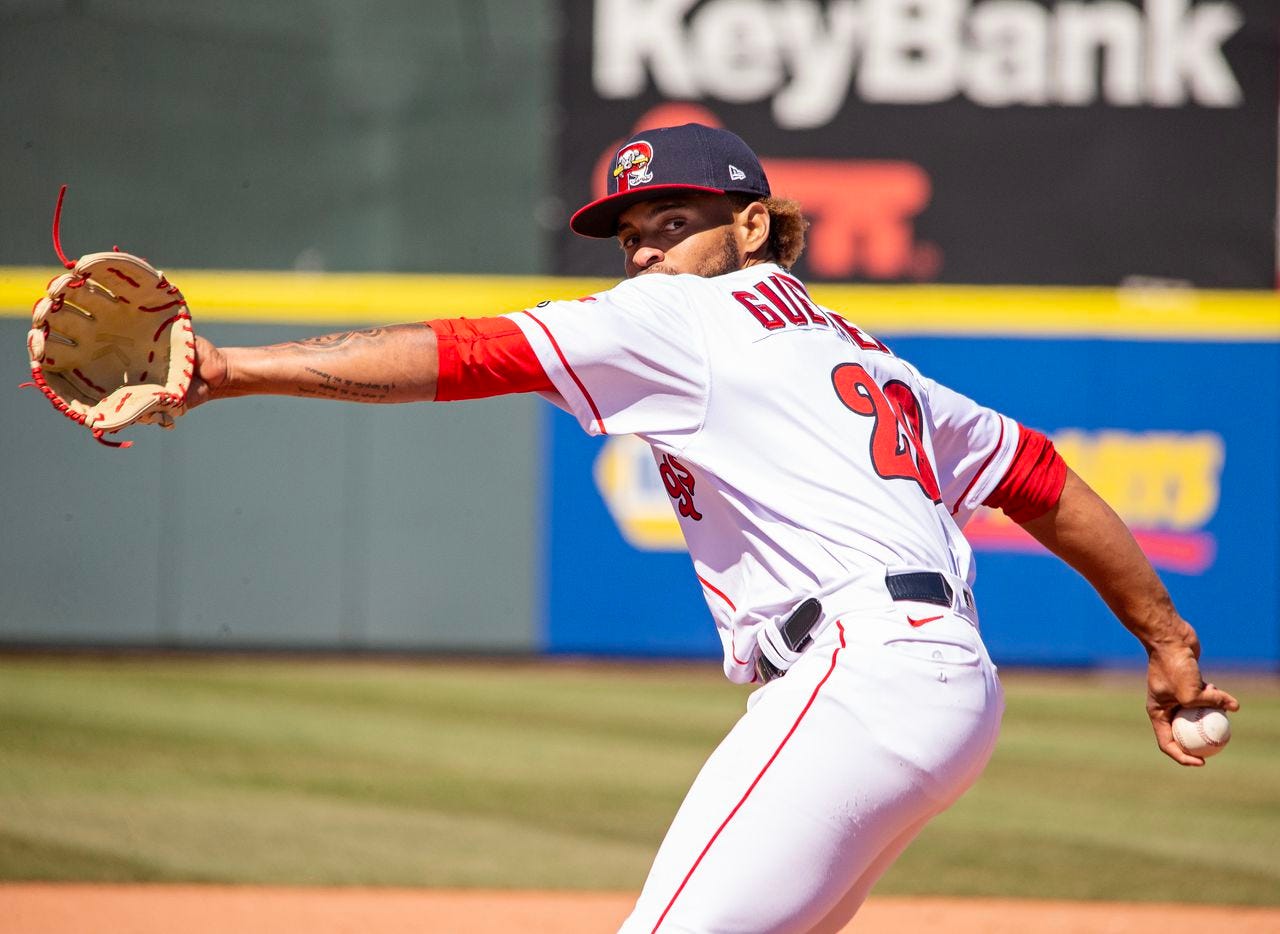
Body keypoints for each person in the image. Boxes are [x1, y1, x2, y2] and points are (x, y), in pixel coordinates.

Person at [186, 123, 1239, 933]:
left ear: (749, 226)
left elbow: (466, 354)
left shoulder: (679, 320)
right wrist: (1167, 641)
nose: (642, 252)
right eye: (631, 235)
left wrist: (233, 370)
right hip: (947, 688)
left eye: (670, 224)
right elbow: (1039, 476)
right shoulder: (866, 354)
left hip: (859, 678)